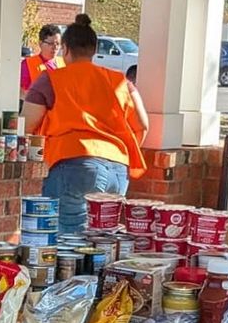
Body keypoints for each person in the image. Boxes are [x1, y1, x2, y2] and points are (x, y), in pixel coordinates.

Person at [22, 14, 148, 234]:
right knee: (102, 242)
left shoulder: (52, 79)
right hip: (118, 170)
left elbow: (26, 125)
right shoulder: (119, 81)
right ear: (94, 49)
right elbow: (142, 125)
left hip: (74, 164)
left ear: (66, 49)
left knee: (66, 243)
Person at [19, 24, 64, 96]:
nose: (55, 47)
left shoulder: (64, 63)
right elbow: (20, 92)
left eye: (58, 44)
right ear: (40, 43)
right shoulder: (28, 64)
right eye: (51, 43)